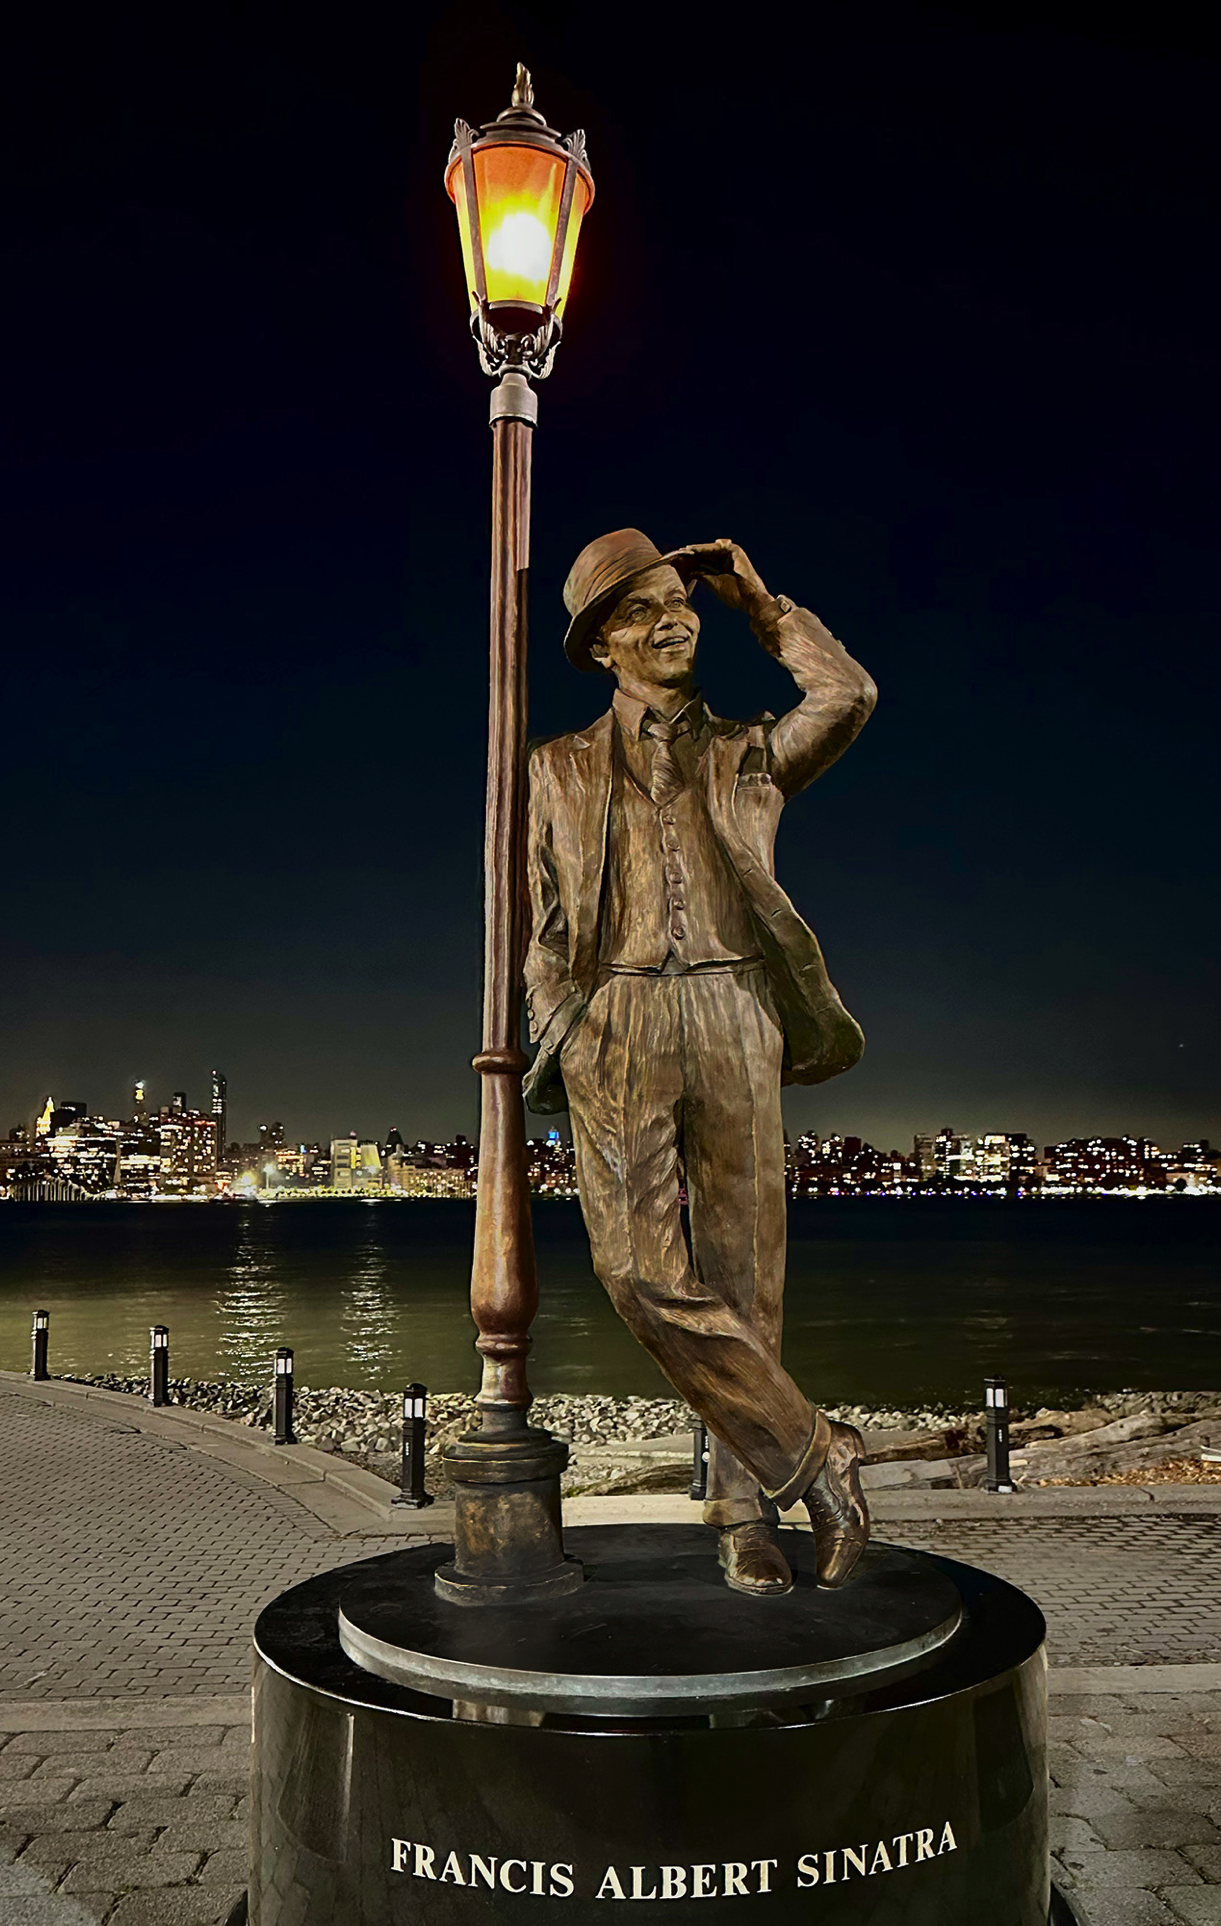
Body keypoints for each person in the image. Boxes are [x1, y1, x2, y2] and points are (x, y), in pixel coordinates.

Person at [524, 528, 877, 1596]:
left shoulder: (748, 751)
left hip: (734, 1009)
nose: (670, 619)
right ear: (599, 647)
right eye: (639, 610)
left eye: (679, 601)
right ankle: (819, 1452)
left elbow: (849, 696)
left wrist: (761, 606)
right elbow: (540, 926)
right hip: (617, 1017)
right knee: (634, 1268)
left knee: (743, 1278)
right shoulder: (557, 767)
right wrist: (568, 1023)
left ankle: (745, 1518)